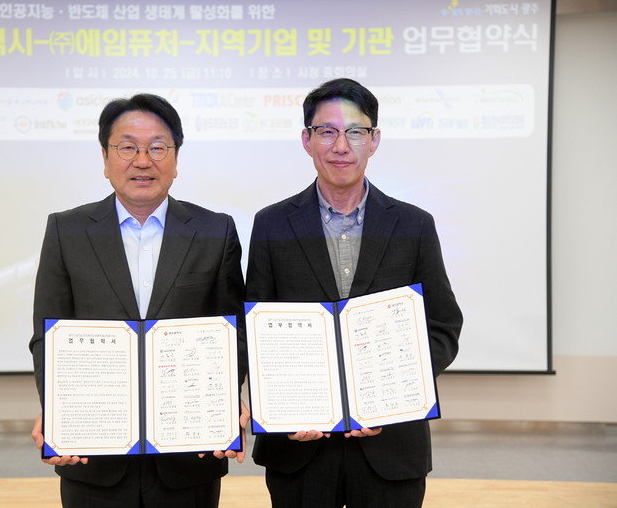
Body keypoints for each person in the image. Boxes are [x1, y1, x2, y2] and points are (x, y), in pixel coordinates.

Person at [245, 78, 463, 507]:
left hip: (391, 447)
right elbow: (254, 329)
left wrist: (392, 396)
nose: (341, 146)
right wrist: (282, 405)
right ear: (307, 140)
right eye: (326, 131)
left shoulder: (414, 225)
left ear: (374, 140)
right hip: (300, 447)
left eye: (355, 132)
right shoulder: (271, 224)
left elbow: (442, 327)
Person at [28, 93, 247, 508]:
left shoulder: (214, 231)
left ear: (176, 158)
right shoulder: (66, 231)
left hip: (189, 455)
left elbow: (233, 332)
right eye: (127, 147)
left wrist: (220, 404)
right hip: (93, 455)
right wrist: (57, 410)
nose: (143, 161)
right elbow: (48, 335)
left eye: (157, 147)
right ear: (105, 158)